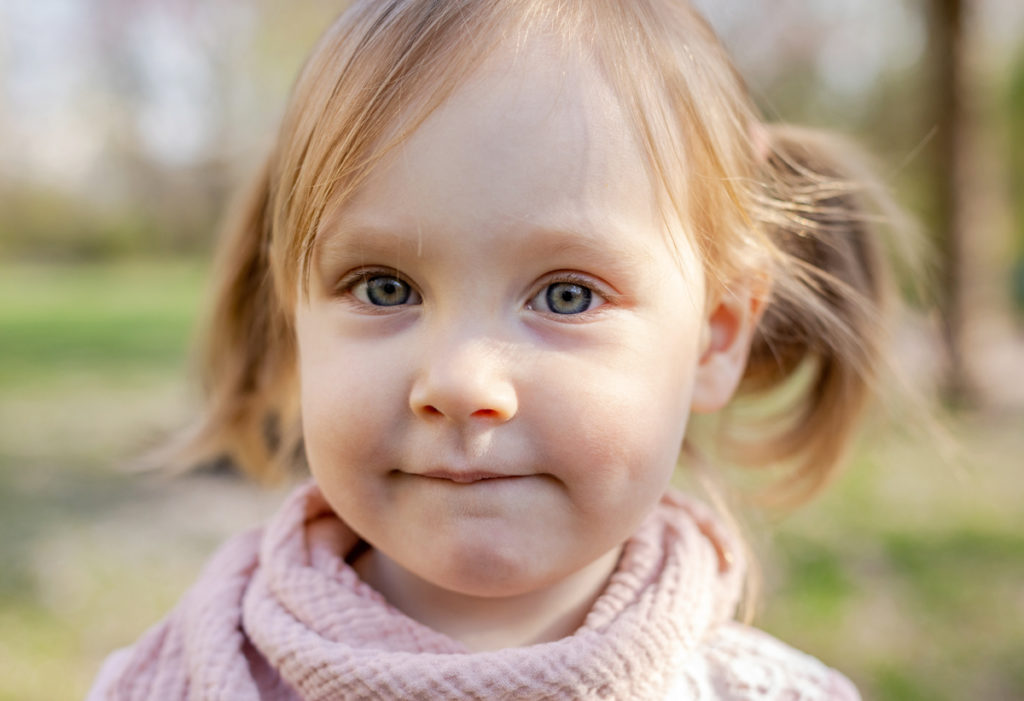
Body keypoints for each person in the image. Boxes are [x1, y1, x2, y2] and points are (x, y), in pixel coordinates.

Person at [89, 1, 898, 698]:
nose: (461, 381)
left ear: (716, 335)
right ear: (294, 315)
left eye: (567, 295)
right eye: (383, 287)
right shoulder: (180, 678)